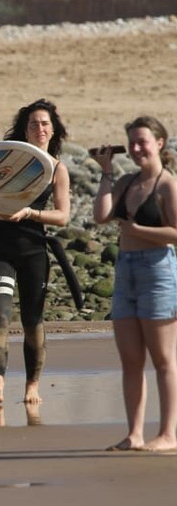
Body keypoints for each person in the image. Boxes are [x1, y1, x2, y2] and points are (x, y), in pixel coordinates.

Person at [0, 99, 71, 406]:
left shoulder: (57, 169)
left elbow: (62, 216)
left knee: (32, 320)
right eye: (33, 124)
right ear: (24, 130)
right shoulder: (6, 162)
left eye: (44, 123)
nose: (39, 128)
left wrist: (29, 213)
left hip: (33, 250)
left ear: (53, 130)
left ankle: (32, 385)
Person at [91, 116, 177, 453]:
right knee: (130, 358)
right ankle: (134, 434)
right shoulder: (127, 181)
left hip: (158, 271)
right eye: (132, 143)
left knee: (163, 358)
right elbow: (102, 215)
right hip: (125, 270)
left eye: (143, 141)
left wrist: (139, 231)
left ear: (160, 143)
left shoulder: (167, 185)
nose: (137, 148)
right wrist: (106, 171)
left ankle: (168, 434)